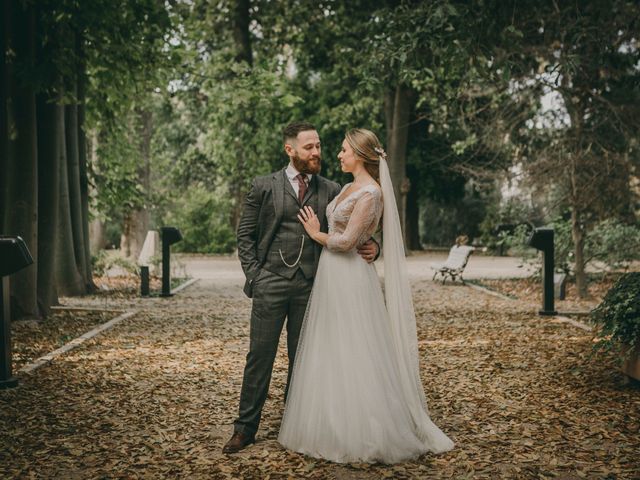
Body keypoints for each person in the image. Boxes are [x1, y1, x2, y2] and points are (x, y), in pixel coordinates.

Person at [278, 128, 454, 463]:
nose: (339, 155)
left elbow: (346, 243)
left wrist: (316, 233)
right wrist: (357, 240)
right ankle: (329, 423)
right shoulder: (346, 187)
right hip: (331, 276)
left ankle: (366, 431)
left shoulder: (371, 193)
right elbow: (353, 234)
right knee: (332, 347)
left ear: (360, 154)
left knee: (357, 347)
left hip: (351, 277)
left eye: (344, 150)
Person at [223, 122, 379, 454]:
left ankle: (295, 424)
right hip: (271, 283)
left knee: (304, 359)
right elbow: (245, 236)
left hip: (313, 286)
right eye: (309, 147)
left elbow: (356, 220)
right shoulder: (263, 186)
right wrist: (255, 277)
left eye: (319, 146)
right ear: (290, 150)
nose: (317, 153)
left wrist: (374, 246)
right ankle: (245, 428)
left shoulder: (332, 187)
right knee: (259, 357)